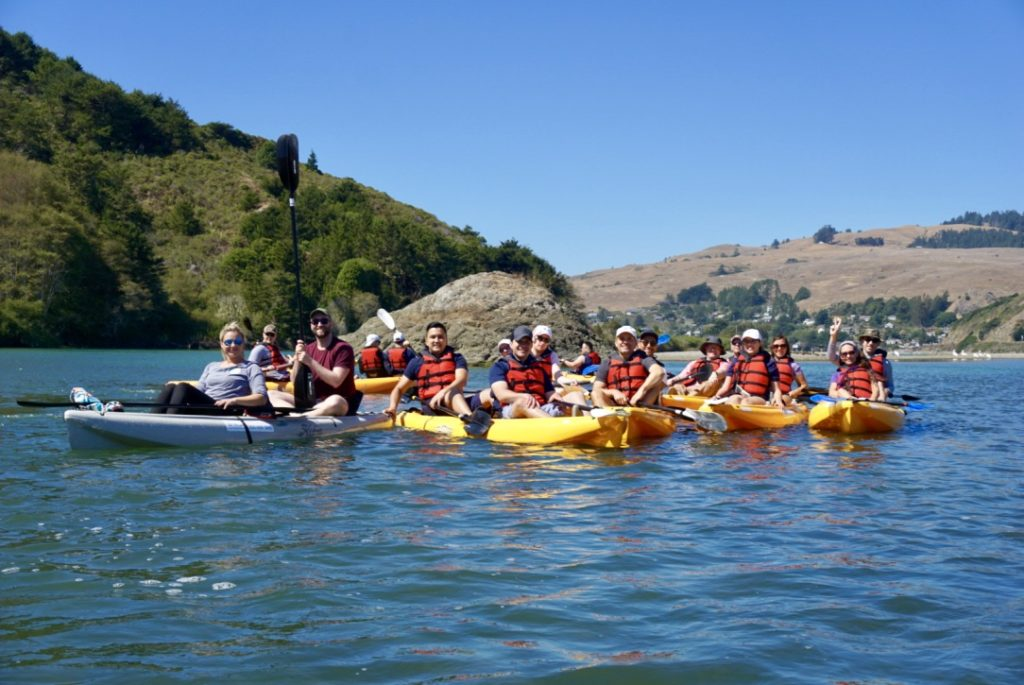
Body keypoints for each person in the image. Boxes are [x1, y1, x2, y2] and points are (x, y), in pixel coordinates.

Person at [154, 322, 270, 415]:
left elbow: (261, 398)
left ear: (243, 344)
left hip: (227, 409)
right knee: (170, 387)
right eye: (228, 342)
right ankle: (154, 419)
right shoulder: (211, 366)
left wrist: (234, 401)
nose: (233, 345)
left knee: (183, 387)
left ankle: (170, 423)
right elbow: (199, 390)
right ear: (222, 345)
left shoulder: (251, 367)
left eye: (238, 341)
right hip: (206, 406)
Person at [269, 308, 361, 417]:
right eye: (315, 321)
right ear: (311, 325)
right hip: (312, 403)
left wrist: (310, 361)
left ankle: (300, 417)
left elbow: (336, 381)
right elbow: (294, 381)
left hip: (338, 404)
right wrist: (297, 358)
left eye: (324, 321)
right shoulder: (307, 349)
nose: (319, 324)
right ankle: (297, 415)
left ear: (331, 324)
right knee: (270, 394)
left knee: (336, 401)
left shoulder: (343, 348)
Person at [489, 325, 588, 418]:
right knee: (523, 402)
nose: (523, 345)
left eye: (527, 342)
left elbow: (549, 392)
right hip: (513, 409)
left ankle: (590, 423)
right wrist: (522, 396)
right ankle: (554, 427)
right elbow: (501, 395)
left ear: (531, 344)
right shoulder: (500, 366)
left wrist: (556, 397)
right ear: (511, 344)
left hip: (541, 407)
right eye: (520, 341)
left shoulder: (538, 367)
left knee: (576, 395)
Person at [385, 322, 471, 418]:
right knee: (452, 393)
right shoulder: (416, 362)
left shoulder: (457, 358)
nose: (437, 340)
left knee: (487, 394)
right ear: (426, 341)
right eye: (433, 337)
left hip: (453, 399)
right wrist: (392, 407)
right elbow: (399, 389)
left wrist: (442, 392)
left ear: (446, 340)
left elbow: (461, 380)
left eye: (440, 337)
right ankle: (472, 420)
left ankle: (478, 420)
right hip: (433, 407)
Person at [591, 325, 666, 408]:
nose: (625, 342)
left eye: (629, 339)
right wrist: (613, 392)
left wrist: (640, 392)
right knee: (595, 393)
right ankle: (608, 418)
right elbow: (597, 388)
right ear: (616, 343)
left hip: (639, 407)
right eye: (622, 338)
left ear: (635, 343)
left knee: (657, 384)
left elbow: (659, 372)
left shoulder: (644, 358)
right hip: (614, 409)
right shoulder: (607, 362)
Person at [712, 328, 784, 407]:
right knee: (733, 399)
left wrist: (778, 401)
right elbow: (726, 387)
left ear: (759, 343)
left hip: (760, 399)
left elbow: (776, 389)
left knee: (746, 402)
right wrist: (716, 397)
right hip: (741, 395)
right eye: (746, 341)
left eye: (753, 341)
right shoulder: (736, 362)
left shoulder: (768, 361)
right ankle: (730, 417)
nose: (749, 344)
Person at [768, 334, 808, 402]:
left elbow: (804, 385)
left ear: (787, 348)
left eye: (783, 346)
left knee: (780, 400)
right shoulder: (766, 363)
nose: (779, 348)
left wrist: (793, 393)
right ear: (772, 348)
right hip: (768, 395)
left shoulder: (794, 365)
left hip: (785, 396)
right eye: (776, 346)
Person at [858, 328, 895, 398]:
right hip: (856, 399)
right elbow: (832, 357)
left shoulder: (885, 363)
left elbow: (891, 386)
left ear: (878, 344)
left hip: (876, 400)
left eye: (874, 340)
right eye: (868, 339)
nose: (871, 343)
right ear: (862, 341)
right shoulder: (852, 358)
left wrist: (886, 392)